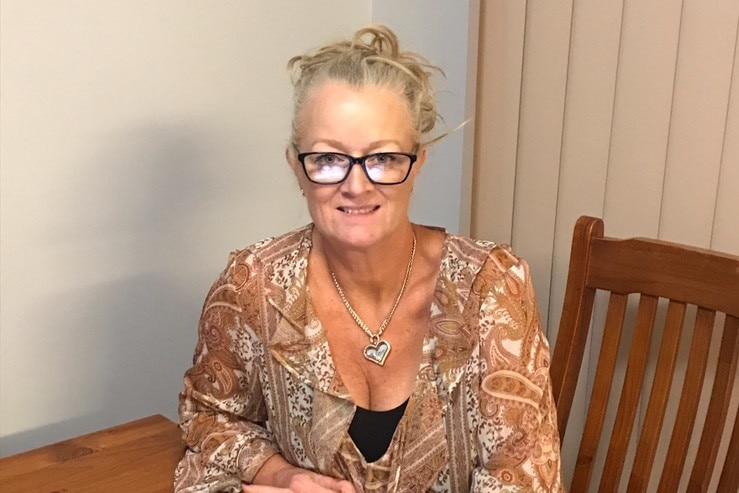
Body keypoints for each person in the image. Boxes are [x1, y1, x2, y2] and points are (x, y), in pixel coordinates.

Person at [174, 25, 563, 493]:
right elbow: (211, 418)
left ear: (417, 163)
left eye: (382, 159)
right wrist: (283, 475)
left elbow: (522, 479)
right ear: (296, 166)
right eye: (328, 159)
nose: (356, 185)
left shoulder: (490, 287)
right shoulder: (253, 284)